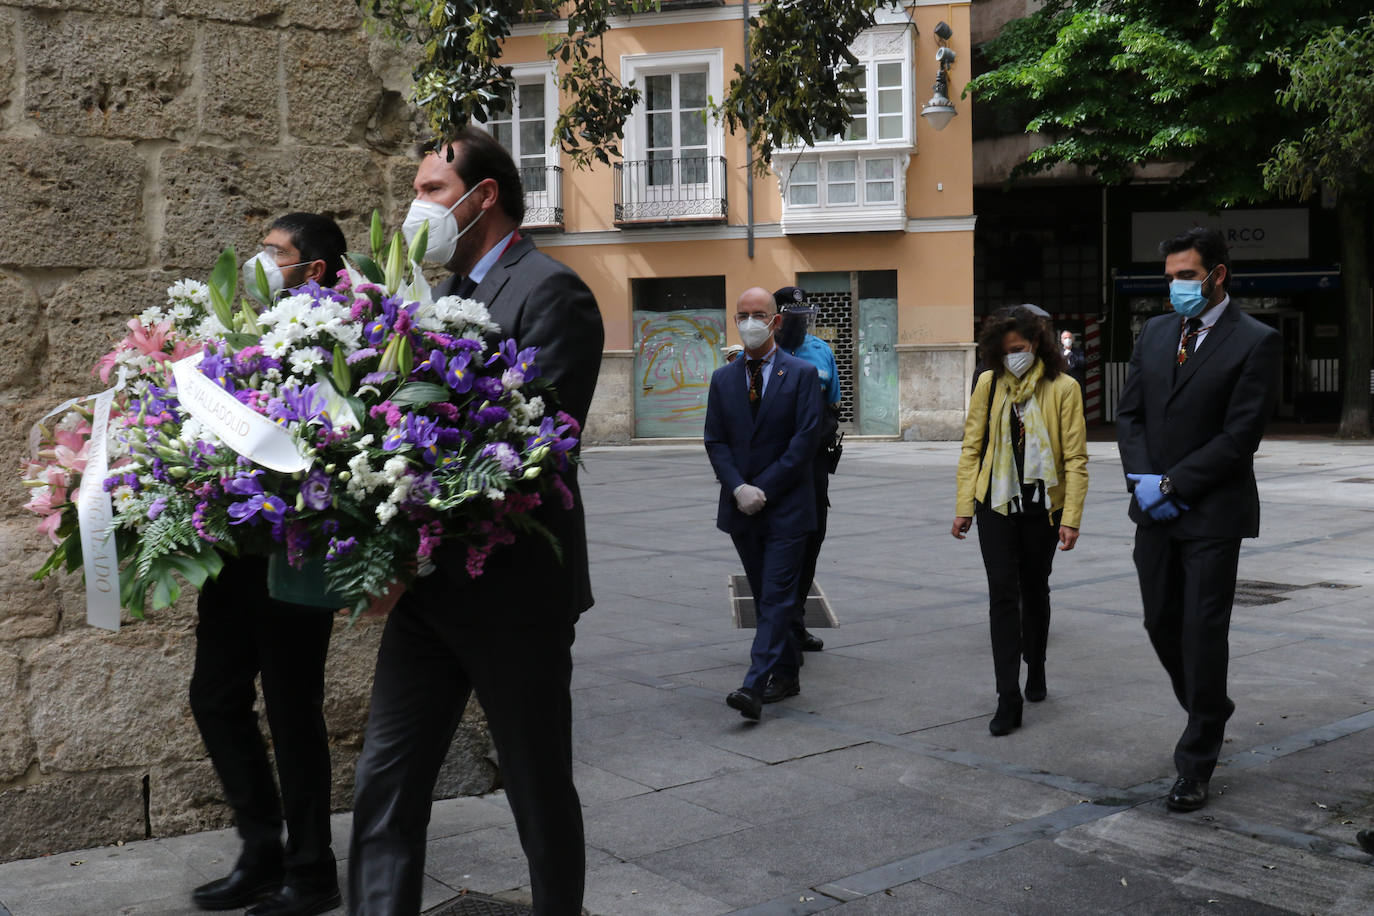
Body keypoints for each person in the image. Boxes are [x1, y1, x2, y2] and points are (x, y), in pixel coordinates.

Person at [348, 128, 603, 916]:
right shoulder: (424, 300)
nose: (413, 208)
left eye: (429, 190)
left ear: (481, 195)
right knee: (384, 784)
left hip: (513, 597)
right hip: (426, 593)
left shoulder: (551, 291)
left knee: (534, 787)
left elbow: (535, 448)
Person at [189, 213, 349, 916]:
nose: (259, 264)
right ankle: (261, 852)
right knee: (215, 696)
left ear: (311, 269)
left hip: (294, 555)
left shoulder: (342, 337)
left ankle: (312, 872)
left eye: (273, 253)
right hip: (236, 552)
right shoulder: (239, 332)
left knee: (291, 711)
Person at [1116, 227, 1280, 813]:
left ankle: (1196, 760)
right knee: (1160, 621)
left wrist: (1175, 482)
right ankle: (1209, 706)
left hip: (1213, 513)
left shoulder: (1256, 341)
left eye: (1186, 276)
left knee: (1201, 632)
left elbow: (1241, 435)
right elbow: (1129, 414)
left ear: (1217, 275)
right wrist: (1143, 480)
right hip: (1153, 511)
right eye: (1170, 279)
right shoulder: (1156, 333)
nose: (1176, 288)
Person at [952, 305, 1087, 737]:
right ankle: (1006, 695)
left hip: (1041, 508)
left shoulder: (1063, 388)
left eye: (1022, 348)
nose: (1015, 356)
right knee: (1002, 596)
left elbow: (1076, 459)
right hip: (995, 503)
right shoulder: (988, 385)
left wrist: (1071, 517)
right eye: (1007, 350)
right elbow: (972, 448)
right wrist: (963, 506)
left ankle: (1038, 665)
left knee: (1034, 588)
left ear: (1037, 345)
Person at [705, 287, 823, 720]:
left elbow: (805, 440)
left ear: (775, 321)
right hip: (741, 508)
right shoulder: (724, 378)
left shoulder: (802, 374)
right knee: (765, 594)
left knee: (775, 596)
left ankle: (754, 686)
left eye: (759, 314)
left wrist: (764, 488)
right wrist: (738, 488)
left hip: (787, 507)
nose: (750, 322)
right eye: (742, 315)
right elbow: (714, 440)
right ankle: (788, 673)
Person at [772, 286, 840, 673]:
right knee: (780, 544)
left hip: (813, 465)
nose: (799, 320)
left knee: (812, 539)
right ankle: (777, 624)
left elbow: (833, 401)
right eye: (791, 313)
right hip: (776, 466)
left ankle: (795, 621)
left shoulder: (820, 350)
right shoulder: (763, 351)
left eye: (804, 312)